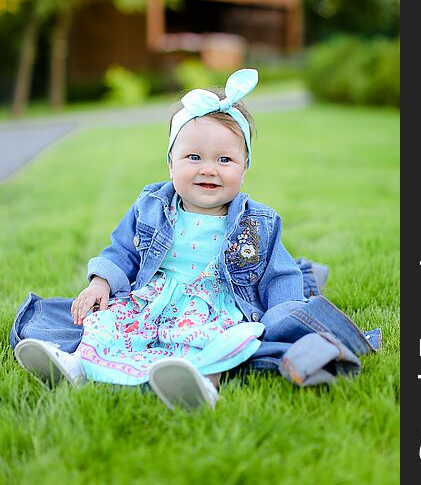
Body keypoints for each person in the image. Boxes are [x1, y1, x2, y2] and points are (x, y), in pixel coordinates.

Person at [14, 68, 310, 410]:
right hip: (154, 297)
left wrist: (285, 316)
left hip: (214, 303)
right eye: (193, 157)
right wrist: (100, 284)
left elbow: (281, 274)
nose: (209, 169)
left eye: (225, 159)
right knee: (107, 320)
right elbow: (122, 250)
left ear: (244, 169)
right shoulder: (152, 205)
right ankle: (77, 363)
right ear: (171, 163)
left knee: (217, 338)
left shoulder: (257, 222)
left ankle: (201, 383)